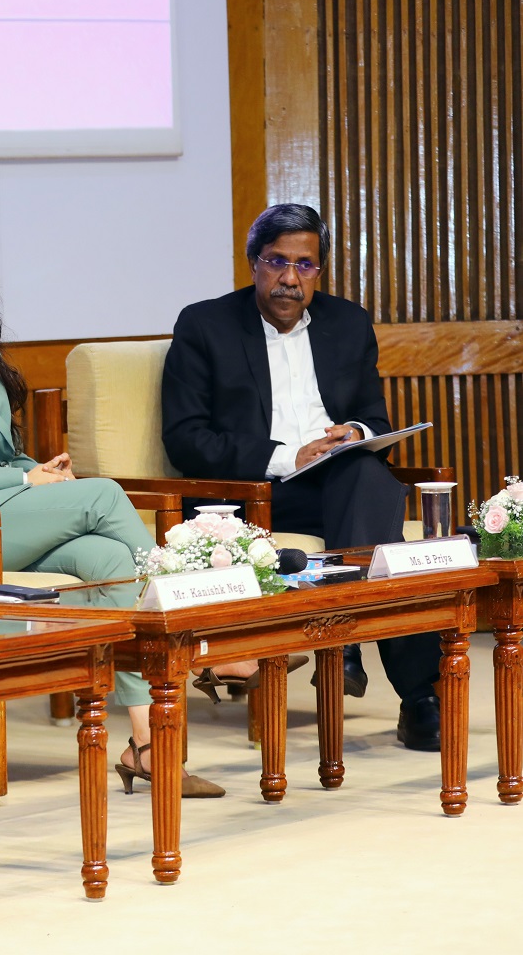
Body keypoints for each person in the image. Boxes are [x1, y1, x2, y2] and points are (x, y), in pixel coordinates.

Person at [0, 232, 259, 798]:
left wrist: (40, 468)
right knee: (103, 495)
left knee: (110, 557)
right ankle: (219, 635)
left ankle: (144, 744)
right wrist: (24, 479)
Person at [161, 203, 441, 751]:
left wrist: (355, 432)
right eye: (277, 261)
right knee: (381, 528)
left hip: (340, 488)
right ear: (253, 264)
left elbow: (375, 417)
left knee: (365, 473)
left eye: (305, 265)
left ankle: (359, 648)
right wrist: (292, 456)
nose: (290, 278)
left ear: (320, 270)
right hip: (255, 497)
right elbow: (186, 439)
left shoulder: (348, 322)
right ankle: (403, 684)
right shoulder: (205, 324)